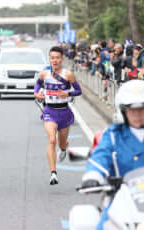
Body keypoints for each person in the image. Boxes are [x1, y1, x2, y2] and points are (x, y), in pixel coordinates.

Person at [81, 80, 144, 229]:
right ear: (123, 111)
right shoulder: (112, 135)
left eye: (143, 109)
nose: (137, 114)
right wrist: (93, 176)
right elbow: (101, 156)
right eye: (132, 110)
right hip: (122, 201)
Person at [34, 46, 82, 185]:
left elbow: (78, 91)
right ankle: (53, 173)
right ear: (49, 59)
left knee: (61, 143)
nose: (55, 60)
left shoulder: (68, 74)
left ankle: (64, 147)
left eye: (57, 58)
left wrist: (68, 93)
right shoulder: (44, 74)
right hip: (50, 111)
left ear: (62, 59)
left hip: (64, 112)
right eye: (52, 58)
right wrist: (37, 93)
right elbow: (37, 84)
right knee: (51, 140)